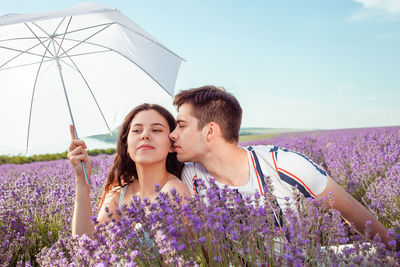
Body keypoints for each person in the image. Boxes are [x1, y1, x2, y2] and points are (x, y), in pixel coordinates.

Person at [169, 85, 398, 250]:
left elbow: (350, 211)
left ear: (210, 131)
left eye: (181, 126)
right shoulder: (190, 177)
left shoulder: (283, 164)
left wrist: (394, 253)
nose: (173, 134)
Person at [69, 103, 191, 237]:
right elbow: (85, 246)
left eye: (156, 130)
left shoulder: (174, 191)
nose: (145, 135)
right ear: (126, 144)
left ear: (171, 145)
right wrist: (81, 180)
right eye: (137, 130)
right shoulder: (118, 194)